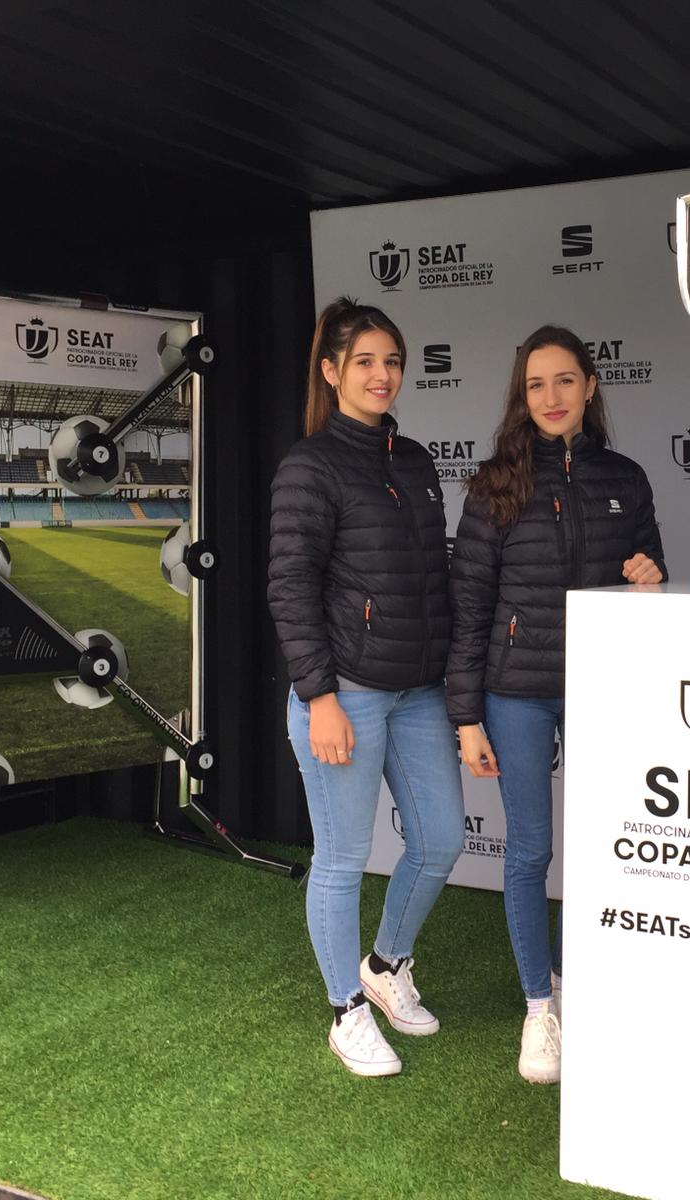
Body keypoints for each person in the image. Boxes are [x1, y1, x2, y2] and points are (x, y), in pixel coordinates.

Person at [447, 325, 666, 1084]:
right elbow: (469, 604)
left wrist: (648, 574)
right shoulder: (494, 484)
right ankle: (540, 1011)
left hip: (604, 689)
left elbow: (650, 566)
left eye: (565, 381)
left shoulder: (627, 477)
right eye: (536, 384)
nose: (551, 397)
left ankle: (575, 990)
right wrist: (466, 716)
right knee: (531, 853)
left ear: (590, 388)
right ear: (522, 395)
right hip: (517, 693)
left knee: (603, 851)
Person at [268, 297, 464, 1078]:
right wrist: (318, 696)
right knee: (344, 857)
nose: (383, 376)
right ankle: (346, 1011)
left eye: (392, 361)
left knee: (441, 840)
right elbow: (290, 585)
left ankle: (385, 967)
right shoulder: (310, 465)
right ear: (331, 371)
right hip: (343, 691)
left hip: (417, 690)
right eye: (365, 362)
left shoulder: (412, 461)